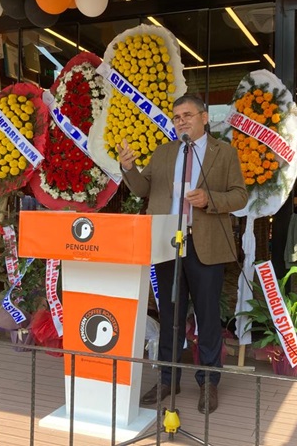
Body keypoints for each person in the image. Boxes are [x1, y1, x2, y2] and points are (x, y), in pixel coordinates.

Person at [117, 95, 247, 414]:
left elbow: (240, 196)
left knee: (207, 317)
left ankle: (208, 382)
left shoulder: (224, 153)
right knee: (170, 317)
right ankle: (167, 379)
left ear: (204, 117)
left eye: (187, 115)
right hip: (167, 244)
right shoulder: (164, 152)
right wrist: (128, 168)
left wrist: (210, 199)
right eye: (176, 117)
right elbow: (142, 189)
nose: (181, 121)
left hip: (205, 244)